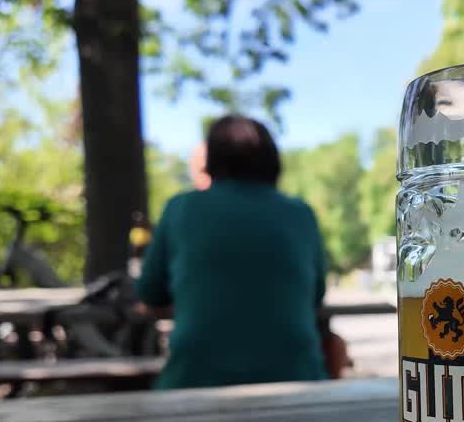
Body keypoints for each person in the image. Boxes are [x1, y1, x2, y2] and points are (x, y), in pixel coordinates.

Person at [135, 115, 329, 389]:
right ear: (273, 160)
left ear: (212, 160)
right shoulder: (300, 213)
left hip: (195, 381)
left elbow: (149, 293)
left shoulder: (181, 209)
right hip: (298, 378)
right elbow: (317, 293)